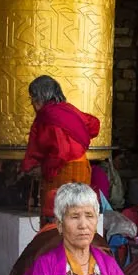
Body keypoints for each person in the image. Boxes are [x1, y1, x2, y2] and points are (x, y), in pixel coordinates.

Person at [21, 75, 101, 225]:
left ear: (41, 96)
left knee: (59, 216)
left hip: (62, 171)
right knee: (79, 213)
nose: (32, 103)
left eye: (33, 97)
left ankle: (56, 240)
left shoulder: (48, 116)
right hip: (82, 168)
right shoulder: (69, 110)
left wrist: (42, 168)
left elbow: (60, 151)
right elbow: (93, 125)